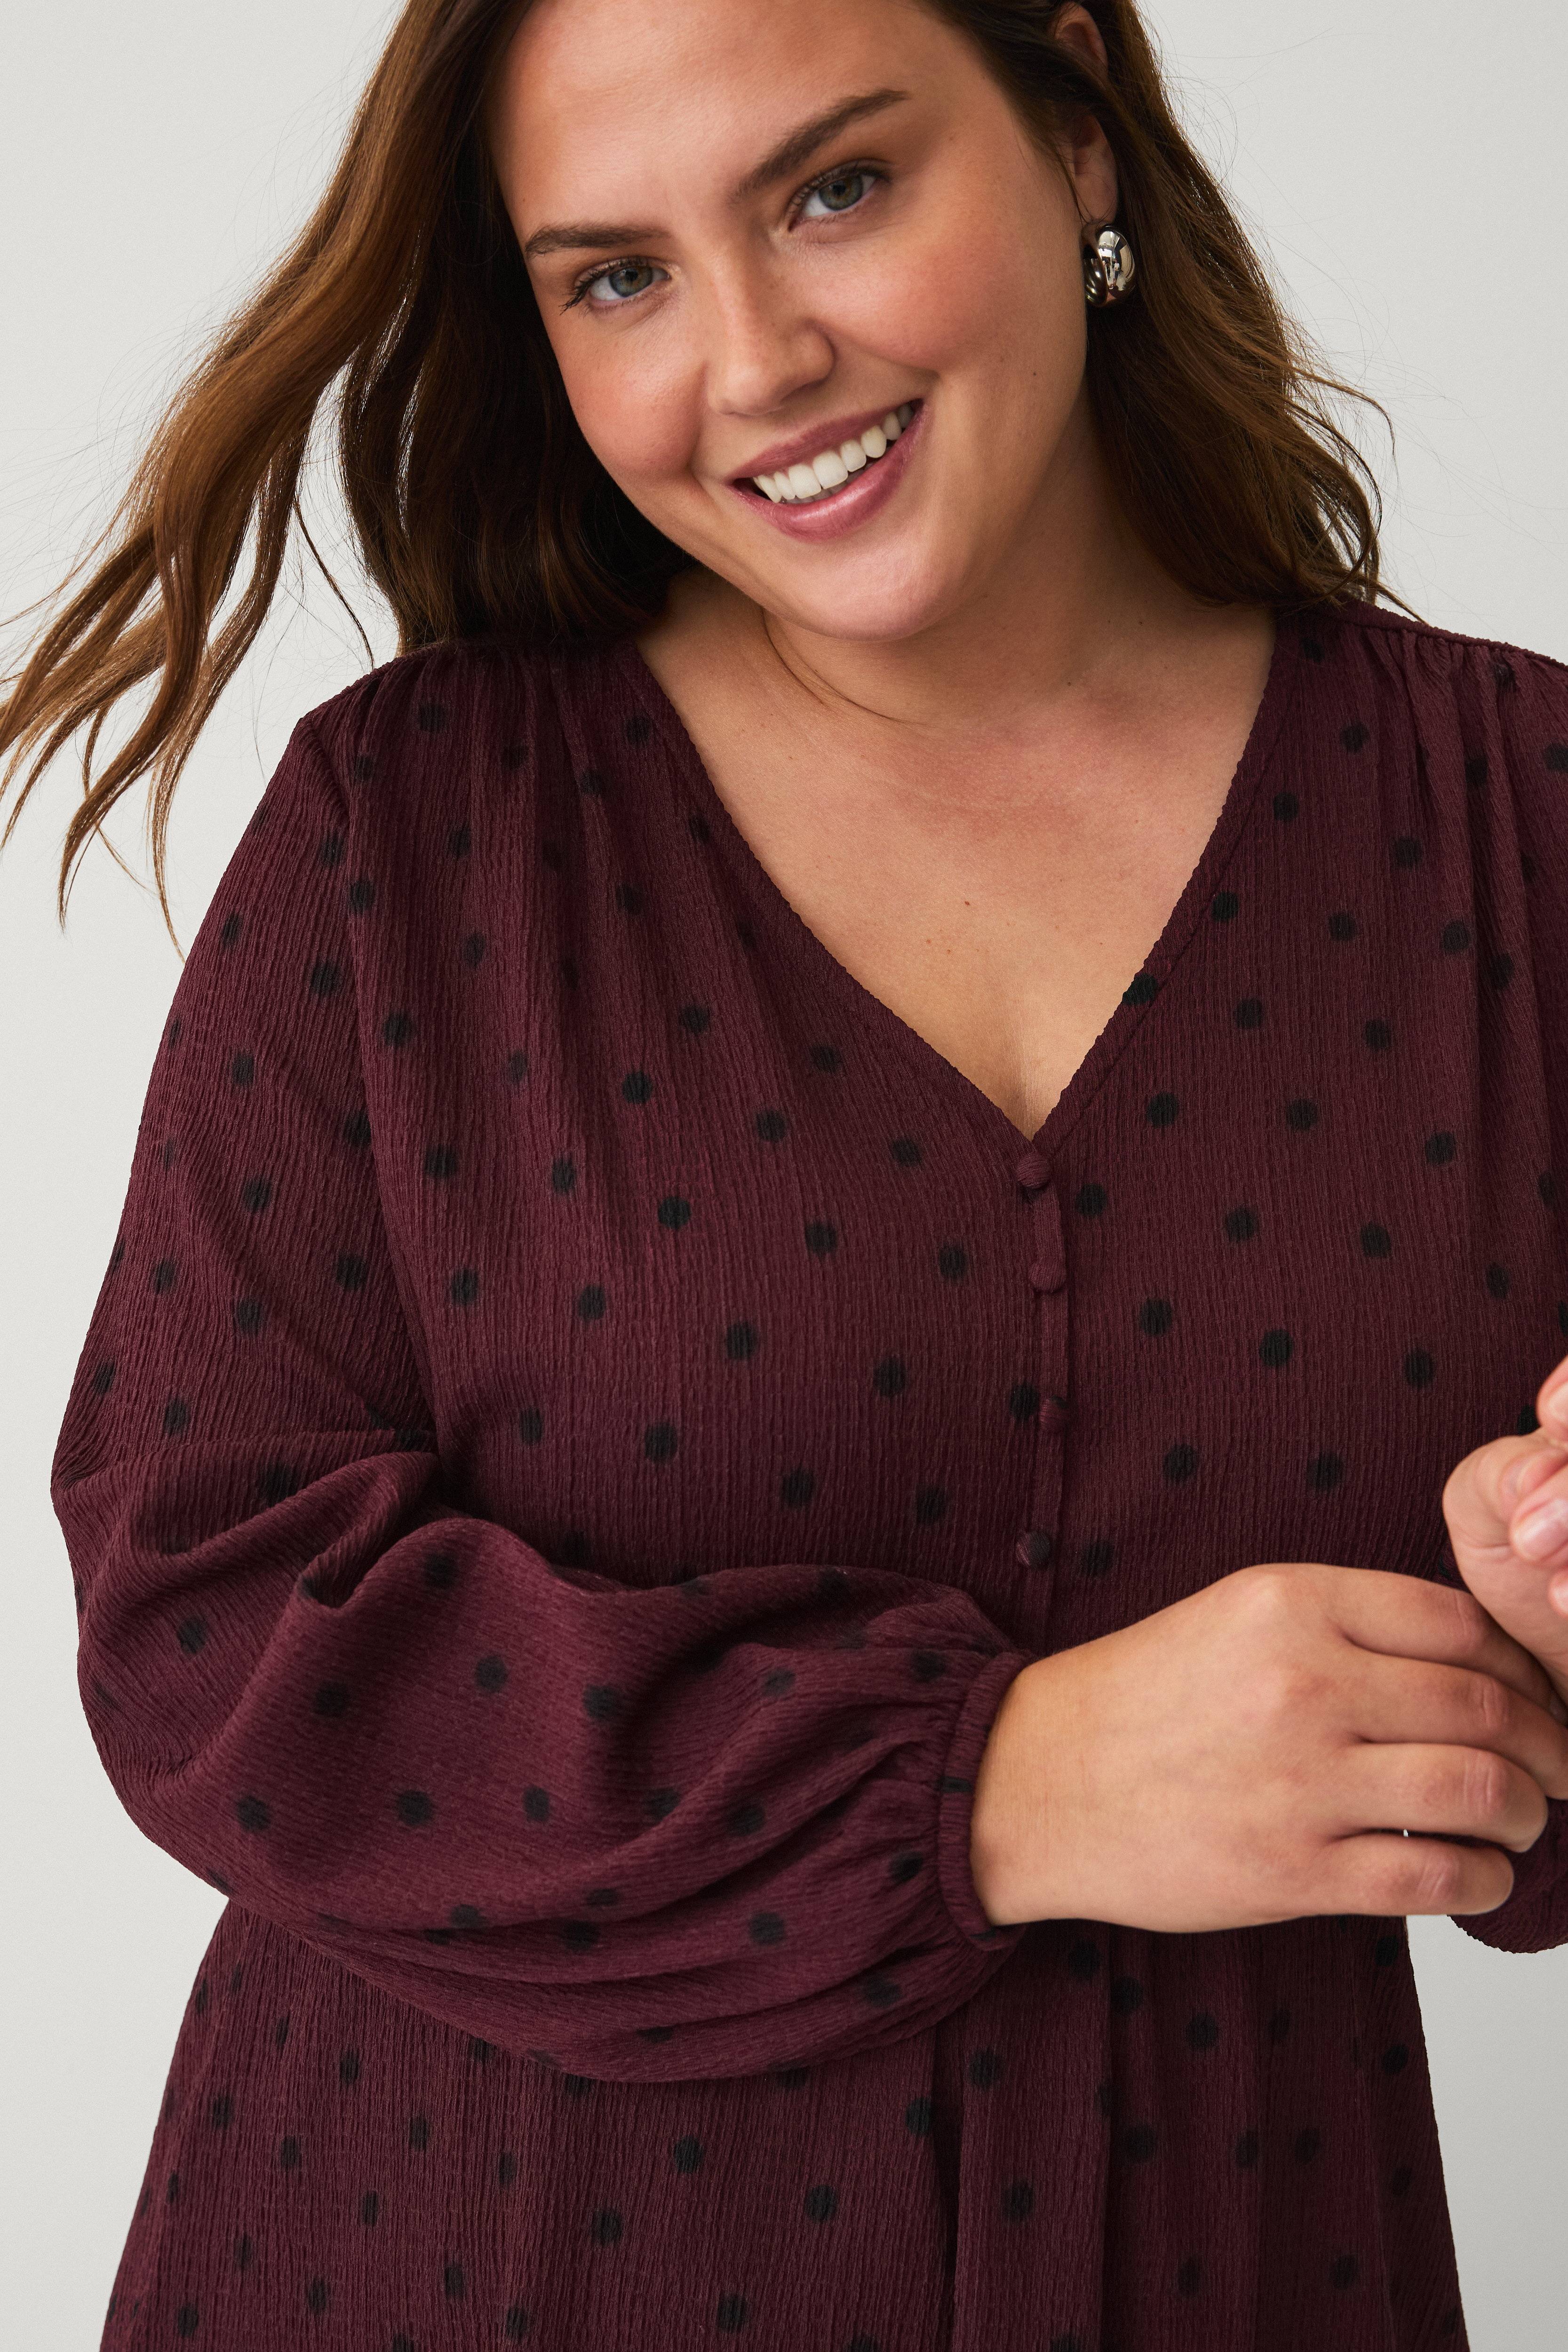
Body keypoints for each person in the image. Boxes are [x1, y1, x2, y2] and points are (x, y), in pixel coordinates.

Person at [6, 1, 1568, 2345]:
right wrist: (994, 1782)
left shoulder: (1523, 817)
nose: (752, 362)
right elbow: (205, 1620)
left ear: (1077, 132)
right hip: (446, 2271)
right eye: (616, 276)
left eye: (836, 188)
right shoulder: (406, 835)